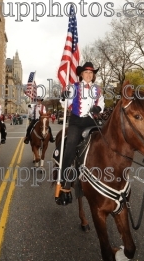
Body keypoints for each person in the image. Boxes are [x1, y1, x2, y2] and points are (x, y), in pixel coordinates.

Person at [55, 62, 105, 206]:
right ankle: (64, 178)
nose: (89, 75)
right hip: (76, 121)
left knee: (105, 141)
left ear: (93, 75)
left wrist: (98, 108)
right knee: (70, 145)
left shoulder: (97, 89)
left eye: (91, 73)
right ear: (81, 74)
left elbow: (101, 103)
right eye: (86, 73)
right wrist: (63, 97)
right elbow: (65, 104)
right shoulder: (74, 87)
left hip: (90, 121)